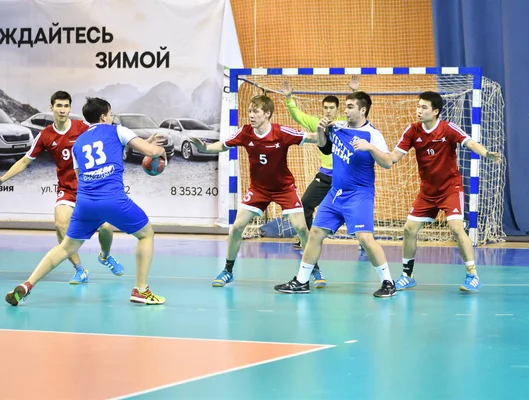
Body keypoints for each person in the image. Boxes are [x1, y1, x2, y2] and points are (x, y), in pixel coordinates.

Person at [5, 97, 167, 306]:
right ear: (103, 116)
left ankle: (27, 285)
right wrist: (157, 150)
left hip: (85, 202)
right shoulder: (117, 130)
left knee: (66, 247)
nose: (111, 117)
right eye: (109, 114)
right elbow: (152, 152)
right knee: (146, 235)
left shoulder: (79, 143)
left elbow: (80, 173)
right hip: (112, 199)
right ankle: (141, 290)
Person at [190, 95, 327, 288]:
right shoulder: (245, 133)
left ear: (267, 114)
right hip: (258, 190)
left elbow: (314, 139)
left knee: (302, 229)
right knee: (237, 227)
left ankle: (314, 269)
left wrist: (321, 132)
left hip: (284, 188)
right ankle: (228, 271)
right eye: (249, 111)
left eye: (256, 112)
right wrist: (204, 148)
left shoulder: (281, 132)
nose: (251, 116)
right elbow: (222, 145)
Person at [274, 91, 397, 297]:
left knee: (365, 239)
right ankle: (302, 281)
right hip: (335, 194)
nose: (345, 110)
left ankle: (388, 282)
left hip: (359, 195)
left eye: (350, 107)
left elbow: (388, 162)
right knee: (315, 233)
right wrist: (322, 131)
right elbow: (325, 148)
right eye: (346, 106)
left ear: (363, 110)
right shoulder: (338, 127)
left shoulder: (372, 134)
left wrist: (370, 148)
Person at [0, 91, 124, 284]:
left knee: (106, 227)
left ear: (70, 108)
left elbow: (104, 136)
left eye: (66, 106)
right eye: (59, 105)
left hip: (89, 189)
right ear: (52, 108)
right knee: (60, 224)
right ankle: (80, 269)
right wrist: (2, 179)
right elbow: (25, 161)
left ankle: (105, 255)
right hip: (66, 189)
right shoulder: (45, 135)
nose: (63, 110)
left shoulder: (81, 127)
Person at [391, 91, 502, 292]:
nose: (419, 110)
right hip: (427, 191)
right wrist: (372, 151)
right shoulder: (412, 131)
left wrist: (486, 153)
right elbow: (393, 157)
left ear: (435, 111)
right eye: (418, 106)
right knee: (408, 229)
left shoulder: (447, 128)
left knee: (456, 227)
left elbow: (470, 143)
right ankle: (407, 275)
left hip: (451, 188)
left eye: (424, 107)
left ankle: (472, 275)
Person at [281, 77, 360, 253]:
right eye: (326, 108)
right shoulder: (317, 123)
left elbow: (357, 113)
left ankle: (364, 242)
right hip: (325, 176)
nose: (328, 111)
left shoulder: (345, 122)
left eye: (332, 108)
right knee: (305, 203)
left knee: (354, 210)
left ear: (338, 109)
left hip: (346, 177)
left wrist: (354, 92)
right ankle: (307, 240)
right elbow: (298, 116)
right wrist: (288, 98)